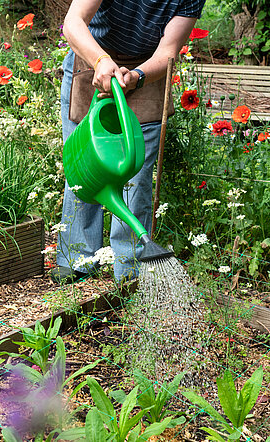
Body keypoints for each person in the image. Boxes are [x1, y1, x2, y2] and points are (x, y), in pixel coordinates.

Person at [52, 0, 206, 283]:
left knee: (136, 176)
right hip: (92, 61)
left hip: (145, 73)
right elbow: (74, 22)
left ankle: (130, 270)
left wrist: (137, 76)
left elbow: (168, 51)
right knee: (83, 167)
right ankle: (77, 260)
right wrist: (101, 62)